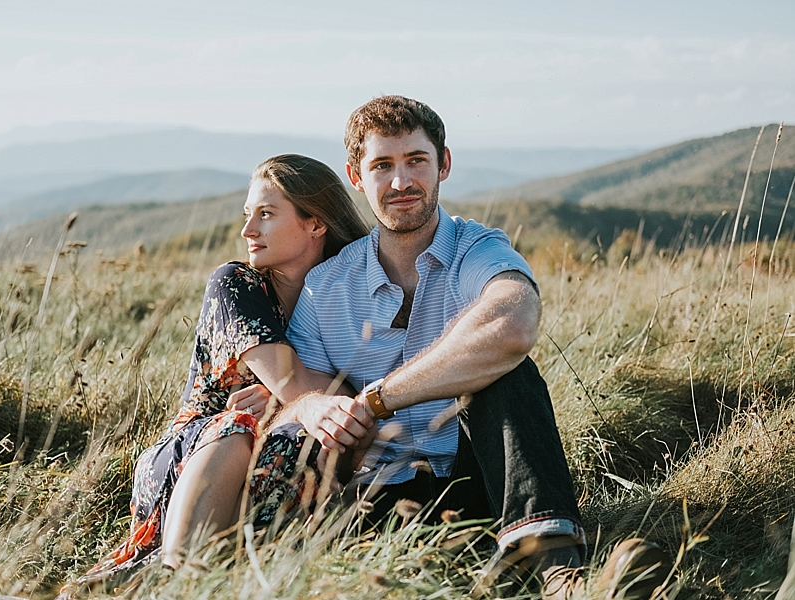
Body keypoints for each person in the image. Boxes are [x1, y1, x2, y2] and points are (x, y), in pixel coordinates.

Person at [249, 96, 670, 598]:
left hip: (484, 480)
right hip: (377, 495)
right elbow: (296, 406)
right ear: (356, 177)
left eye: (416, 161)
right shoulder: (325, 288)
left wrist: (381, 397)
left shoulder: (479, 249)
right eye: (382, 165)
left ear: (443, 164)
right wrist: (316, 406)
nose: (401, 182)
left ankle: (560, 577)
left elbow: (512, 326)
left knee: (509, 372)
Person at [59, 154, 368, 595]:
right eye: (248, 215)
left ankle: (245, 575)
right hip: (197, 450)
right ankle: (175, 574)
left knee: (299, 445)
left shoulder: (352, 294)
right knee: (241, 422)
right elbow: (294, 382)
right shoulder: (236, 285)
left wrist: (284, 408)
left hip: (282, 447)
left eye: (265, 214)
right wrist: (288, 399)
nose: (247, 230)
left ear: (315, 223)